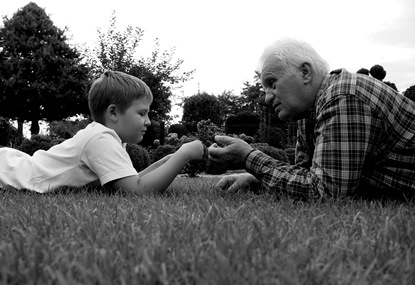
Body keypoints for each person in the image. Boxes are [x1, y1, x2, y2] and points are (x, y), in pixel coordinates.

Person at [209, 37, 415, 200]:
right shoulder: (310, 112)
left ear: (305, 72)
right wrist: (257, 179)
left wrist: (248, 157)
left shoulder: (342, 97)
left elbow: (325, 192)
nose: (266, 97)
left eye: (272, 83)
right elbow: (306, 174)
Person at [0, 70, 204, 194]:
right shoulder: (100, 139)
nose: (148, 122)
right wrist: (183, 155)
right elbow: (137, 190)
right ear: (113, 112)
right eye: (141, 113)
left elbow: (128, 181)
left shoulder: (107, 138)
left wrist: (167, 161)